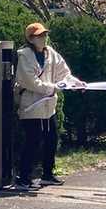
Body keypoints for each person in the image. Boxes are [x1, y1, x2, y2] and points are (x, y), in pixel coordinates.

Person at [12, 21, 81, 190]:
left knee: (52, 139)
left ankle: (47, 174)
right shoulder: (24, 56)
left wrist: (76, 83)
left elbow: (64, 73)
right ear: (31, 39)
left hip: (48, 106)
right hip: (31, 105)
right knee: (32, 141)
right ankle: (24, 177)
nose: (44, 38)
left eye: (45, 35)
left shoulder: (51, 53)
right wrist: (52, 88)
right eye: (39, 36)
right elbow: (30, 81)